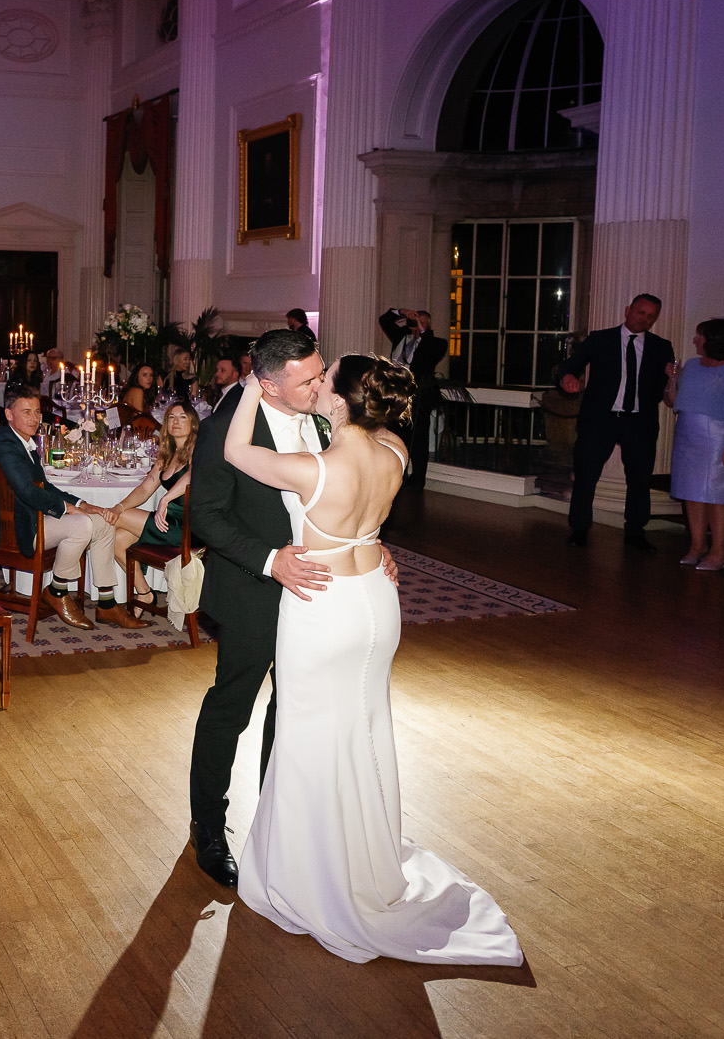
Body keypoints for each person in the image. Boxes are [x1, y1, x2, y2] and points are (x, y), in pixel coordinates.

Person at [223, 355, 523, 967]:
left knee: (309, 738)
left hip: (322, 605)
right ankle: (368, 859)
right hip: (376, 604)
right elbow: (373, 452)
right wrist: (377, 539)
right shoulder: (396, 453)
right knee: (366, 729)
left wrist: (253, 386)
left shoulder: (313, 469)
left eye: (327, 376)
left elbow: (235, 452)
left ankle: (312, 877)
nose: (319, 382)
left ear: (339, 400)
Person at [184, 326, 334, 888]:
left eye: (320, 372)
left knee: (292, 709)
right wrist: (271, 561)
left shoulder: (327, 421)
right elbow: (207, 516)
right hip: (253, 587)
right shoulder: (224, 430)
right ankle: (208, 825)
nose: (320, 385)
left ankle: (277, 824)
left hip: (318, 590)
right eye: (307, 380)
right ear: (268, 385)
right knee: (232, 707)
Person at [0, 386, 117, 630]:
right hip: (10, 531)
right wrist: (67, 509)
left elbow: (44, 486)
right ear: (8, 414)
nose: (35, 419)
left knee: (103, 522)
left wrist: (82, 504)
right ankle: (56, 592)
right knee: (81, 525)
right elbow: (27, 491)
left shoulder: (21, 440)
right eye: (27, 412)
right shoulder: (5, 444)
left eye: (37, 412)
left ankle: (107, 603)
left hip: (28, 518)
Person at [556, 294, 675, 550]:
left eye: (652, 316)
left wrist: (671, 382)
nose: (645, 320)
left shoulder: (661, 347)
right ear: (628, 310)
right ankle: (579, 529)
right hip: (600, 420)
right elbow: (569, 366)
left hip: (639, 422)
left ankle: (635, 532)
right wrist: (567, 378)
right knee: (586, 476)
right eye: (641, 312)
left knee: (639, 479)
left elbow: (663, 388)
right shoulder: (600, 339)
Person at [665, 319, 724, 570]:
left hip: (718, 437)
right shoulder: (691, 365)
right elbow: (672, 400)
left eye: (699, 335)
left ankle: (720, 551)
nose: (695, 339)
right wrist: (672, 379)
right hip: (687, 435)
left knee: (717, 495)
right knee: (691, 492)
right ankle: (697, 545)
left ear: (714, 339)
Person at [108, 401, 198, 615]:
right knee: (118, 539)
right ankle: (144, 592)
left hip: (190, 527)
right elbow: (146, 487)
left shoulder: (198, 448)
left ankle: (104, 593)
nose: (176, 422)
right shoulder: (168, 453)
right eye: (171, 417)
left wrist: (165, 499)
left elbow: (194, 475)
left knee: (113, 520)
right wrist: (119, 506)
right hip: (168, 522)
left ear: (193, 423)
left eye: (182, 417)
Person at [378, 307, 447, 486]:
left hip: (419, 397)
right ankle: (397, 476)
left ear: (428, 325)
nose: (417, 324)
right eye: (415, 320)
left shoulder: (437, 343)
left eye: (421, 322)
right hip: (397, 396)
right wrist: (401, 312)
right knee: (396, 437)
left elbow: (429, 351)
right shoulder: (402, 337)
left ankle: (418, 479)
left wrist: (423, 331)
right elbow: (384, 320)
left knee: (418, 440)